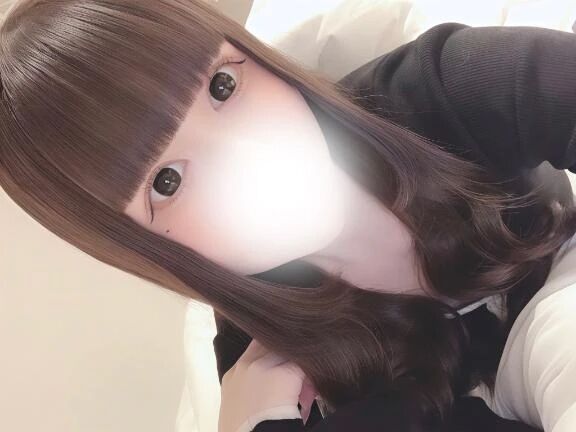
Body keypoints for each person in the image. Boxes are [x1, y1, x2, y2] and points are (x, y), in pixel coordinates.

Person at [0, 1, 575, 431]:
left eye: (223, 85)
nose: (246, 150)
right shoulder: (273, 363)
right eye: (166, 182)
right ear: (142, 243)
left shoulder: (433, 92)